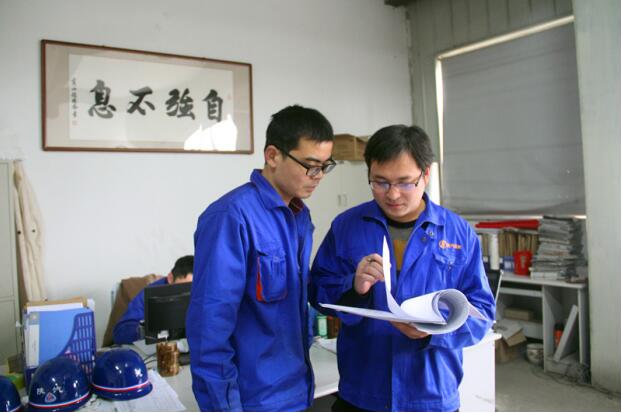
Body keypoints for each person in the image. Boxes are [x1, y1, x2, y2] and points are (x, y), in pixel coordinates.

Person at [309, 125, 495, 412]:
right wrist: (353, 287)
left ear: (425, 175)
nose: (393, 194)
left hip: (431, 394)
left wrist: (433, 331)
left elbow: (482, 313)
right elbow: (317, 291)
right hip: (362, 391)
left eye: (405, 183)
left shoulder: (458, 233)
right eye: (380, 182)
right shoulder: (347, 227)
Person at [186, 105, 335, 411]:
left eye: (325, 166)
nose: (318, 176)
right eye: (310, 165)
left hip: (297, 390)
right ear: (273, 155)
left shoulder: (300, 215)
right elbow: (209, 329)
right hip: (253, 399)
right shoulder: (231, 216)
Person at [113, 255, 194, 345]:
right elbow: (120, 333)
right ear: (170, 278)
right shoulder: (150, 294)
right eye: (185, 288)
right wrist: (148, 331)